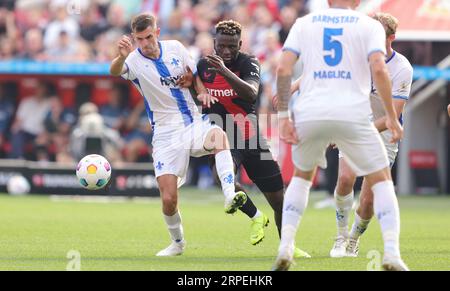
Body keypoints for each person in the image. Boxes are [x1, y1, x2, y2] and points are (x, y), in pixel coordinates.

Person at [273, 0, 407, 271]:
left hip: (311, 112)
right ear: (357, 1)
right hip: (352, 113)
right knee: (382, 182)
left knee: (301, 178)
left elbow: (284, 69)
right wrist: (392, 118)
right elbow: (379, 69)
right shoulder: (368, 25)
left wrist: (283, 116)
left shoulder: (305, 22)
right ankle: (391, 253)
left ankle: (285, 246)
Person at [109, 13, 246, 257]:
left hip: (192, 122)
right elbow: (114, 71)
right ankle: (178, 243)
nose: (146, 43)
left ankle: (229, 195)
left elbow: (194, 75)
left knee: (219, 137)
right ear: (134, 38)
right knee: (169, 199)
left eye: (149, 36)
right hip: (164, 133)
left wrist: (201, 91)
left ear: (157, 32)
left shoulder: (176, 48)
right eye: (140, 39)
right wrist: (120, 57)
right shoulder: (133, 60)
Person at [190, 20, 309, 258]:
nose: (226, 51)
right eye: (222, 45)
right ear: (214, 43)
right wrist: (196, 90)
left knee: (278, 198)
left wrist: (223, 69)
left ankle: (287, 245)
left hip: (250, 137)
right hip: (222, 137)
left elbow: (251, 93)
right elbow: (196, 90)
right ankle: (256, 216)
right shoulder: (202, 65)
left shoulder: (249, 62)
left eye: (231, 46)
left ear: (240, 44)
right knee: (222, 180)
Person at [329, 12, 413, 258]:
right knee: (345, 179)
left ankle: (353, 240)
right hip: (356, 125)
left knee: (367, 201)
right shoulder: (356, 59)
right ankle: (340, 237)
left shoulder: (402, 68)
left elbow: (392, 116)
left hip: (384, 134)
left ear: (392, 37)